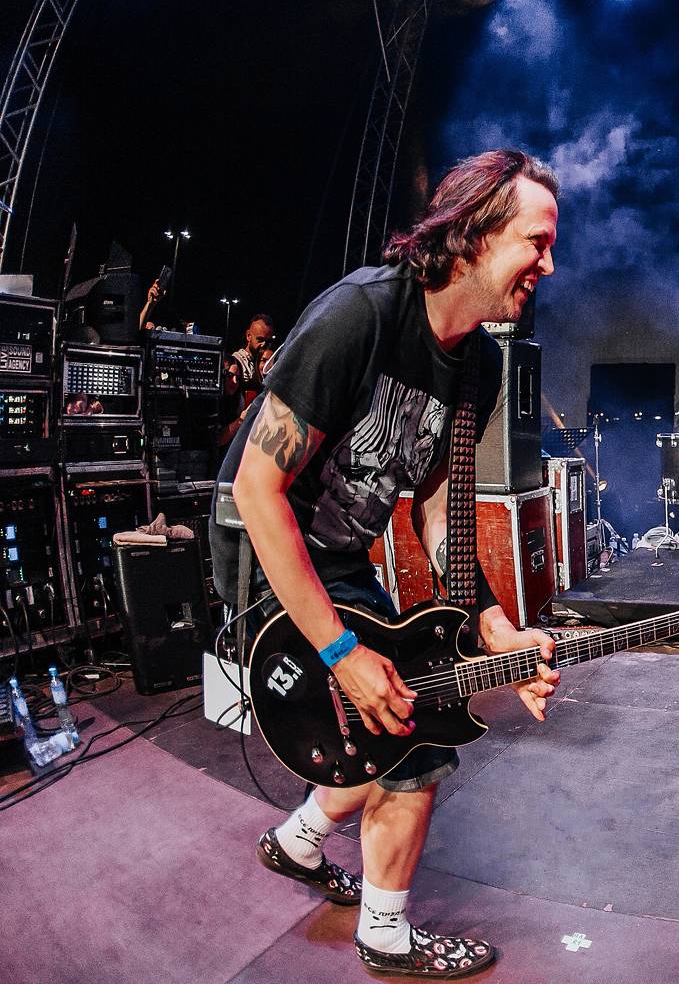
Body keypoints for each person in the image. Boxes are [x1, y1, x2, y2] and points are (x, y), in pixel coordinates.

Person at [209, 149, 562, 978]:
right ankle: (387, 934)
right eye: (537, 242)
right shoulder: (361, 314)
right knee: (415, 735)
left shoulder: (479, 362)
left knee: (394, 703)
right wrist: (340, 650)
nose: (549, 265)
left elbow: (438, 508)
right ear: (474, 234)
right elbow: (259, 488)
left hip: (337, 550)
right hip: (265, 543)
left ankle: (300, 839)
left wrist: (490, 623)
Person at [219, 315, 278, 445]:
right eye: (260, 339)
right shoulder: (236, 364)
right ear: (248, 336)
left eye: (268, 341)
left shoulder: (268, 362)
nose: (264, 345)